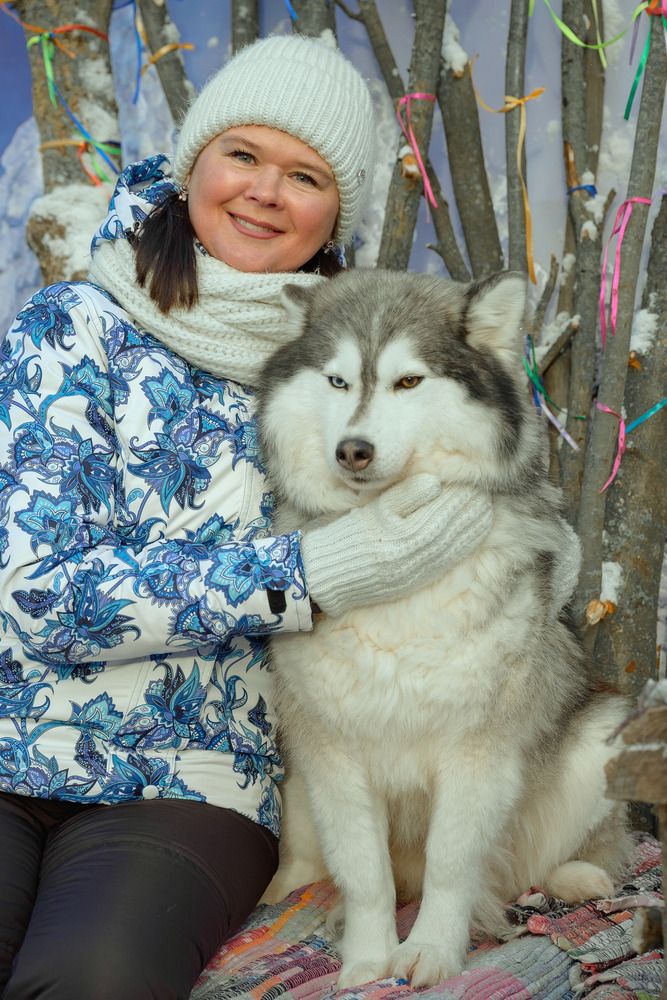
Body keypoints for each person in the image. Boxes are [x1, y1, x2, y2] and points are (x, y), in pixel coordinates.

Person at [0, 33, 508, 1000]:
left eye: (304, 174)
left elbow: (452, 533)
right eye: (243, 156)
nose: (265, 192)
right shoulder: (73, 330)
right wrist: (306, 575)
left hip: (193, 777)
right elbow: (39, 596)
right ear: (196, 161)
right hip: (10, 737)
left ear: (337, 210)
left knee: (91, 979)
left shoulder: (358, 374)